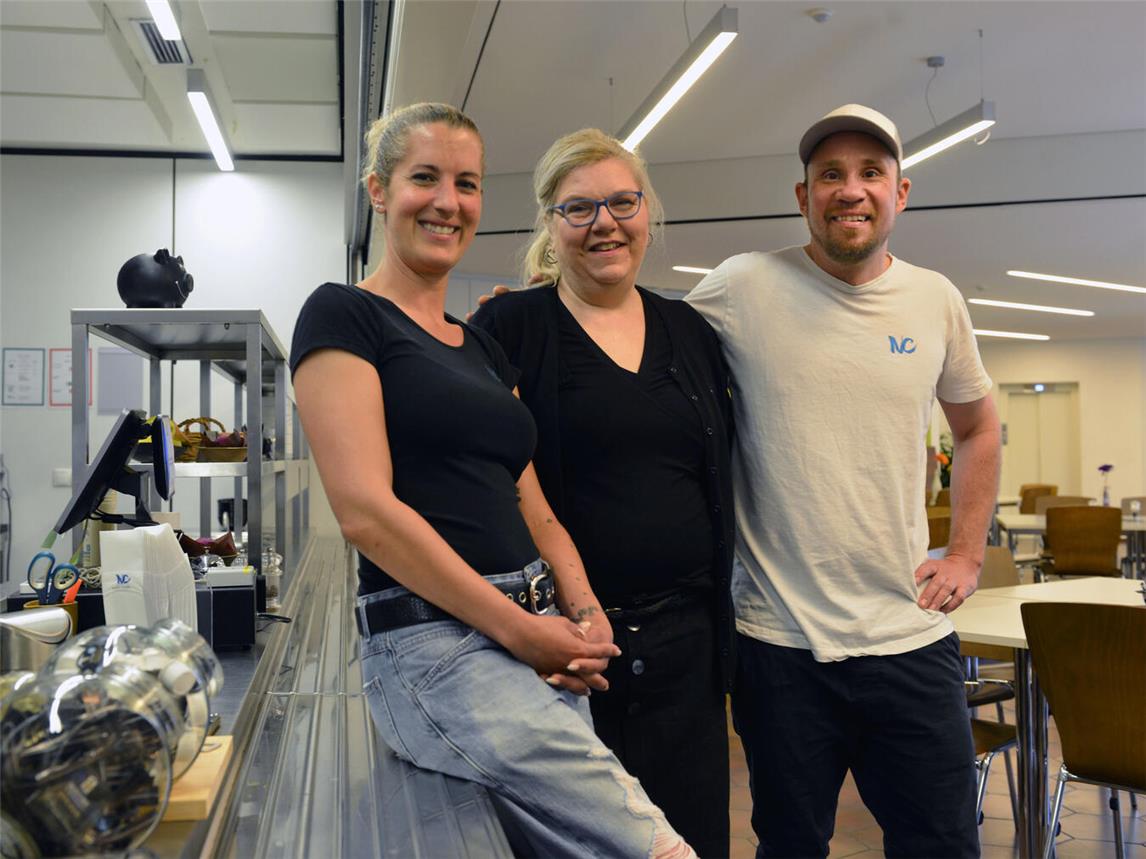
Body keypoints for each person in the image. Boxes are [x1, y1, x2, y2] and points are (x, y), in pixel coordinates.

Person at [290, 103, 695, 858]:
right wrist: (521, 632)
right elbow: (365, 512)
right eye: (424, 179)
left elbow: (534, 507)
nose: (448, 202)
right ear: (378, 191)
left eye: (467, 183)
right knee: (653, 845)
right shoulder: (343, 315)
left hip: (537, 628)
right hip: (439, 644)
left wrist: (582, 610)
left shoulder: (479, 345)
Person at [685, 104, 1002, 858]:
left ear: (901, 193)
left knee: (943, 843)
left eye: (870, 173)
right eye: (830, 174)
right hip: (779, 643)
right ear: (803, 197)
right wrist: (535, 316)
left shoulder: (936, 300)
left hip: (910, 636)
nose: (850, 189)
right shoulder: (743, 286)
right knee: (791, 844)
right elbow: (636, 347)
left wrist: (964, 553)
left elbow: (978, 425)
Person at [470, 128, 734, 857]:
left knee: (690, 841)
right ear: (551, 227)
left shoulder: (692, 331)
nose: (605, 224)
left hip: (687, 652)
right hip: (563, 655)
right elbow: (482, 479)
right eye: (578, 209)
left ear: (648, 212)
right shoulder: (509, 326)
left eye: (622, 201)